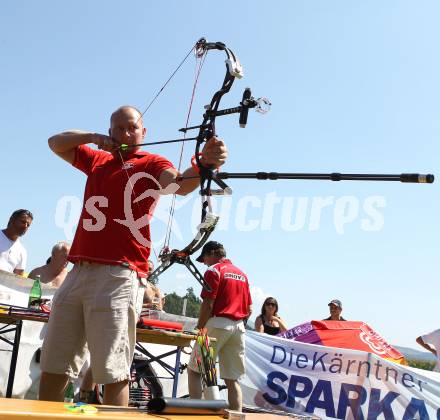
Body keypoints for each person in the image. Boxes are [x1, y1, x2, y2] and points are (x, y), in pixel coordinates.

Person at [39, 105, 227, 406]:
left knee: (112, 372)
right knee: (54, 365)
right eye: (118, 128)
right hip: (78, 271)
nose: (125, 133)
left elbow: (178, 185)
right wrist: (92, 137)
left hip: (119, 274)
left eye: (132, 128)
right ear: (110, 131)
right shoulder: (98, 159)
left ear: (144, 133)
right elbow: (55, 142)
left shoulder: (151, 161)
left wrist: (204, 165)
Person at [187, 241, 252, 412]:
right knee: (232, 379)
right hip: (239, 326)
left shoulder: (214, 270)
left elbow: (208, 304)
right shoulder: (242, 274)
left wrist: (200, 328)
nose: (205, 263)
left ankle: (195, 414)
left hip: (217, 323)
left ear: (213, 253)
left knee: (195, 370)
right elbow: (249, 309)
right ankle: (237, 415)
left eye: (205, 258)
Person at [0, 209, 33, 275]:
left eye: (28, 225)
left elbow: (18, 279)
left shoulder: (22, 251)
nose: (25, 226)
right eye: (23, 222)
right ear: (12, 219)